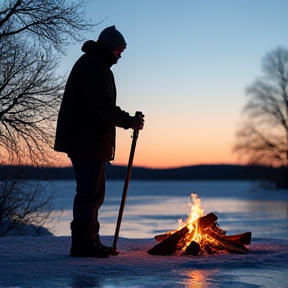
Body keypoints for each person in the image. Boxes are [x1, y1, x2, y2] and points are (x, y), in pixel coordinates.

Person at [54, 25, 144, 258]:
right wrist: (128, 121)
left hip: (89, 140)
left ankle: (91, 240)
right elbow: (102, 106)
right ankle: (83, 244)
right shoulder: (93, 65)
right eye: (119, 50)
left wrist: (127, 121)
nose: (120, 56)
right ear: (110, 47)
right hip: (86, 140)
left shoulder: (96, 64)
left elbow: (100, 105)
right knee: (89, 194)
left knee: (93, 194)